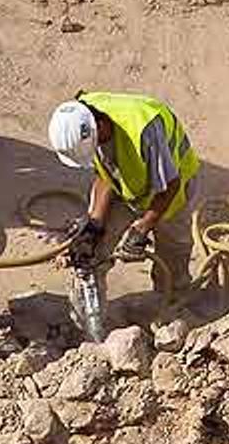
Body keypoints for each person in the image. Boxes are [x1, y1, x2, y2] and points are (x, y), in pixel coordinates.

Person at [47, 91, 200, 295]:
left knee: (172, 257)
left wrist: (142, 227)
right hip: (130, 188)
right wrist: (95, 225)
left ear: (100, 127)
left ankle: (173, 302)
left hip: (172, 188)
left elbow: (170, 186)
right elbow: (105, 175)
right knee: (91, 255)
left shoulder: (145, 129)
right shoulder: (83, 119)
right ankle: (91, 316)